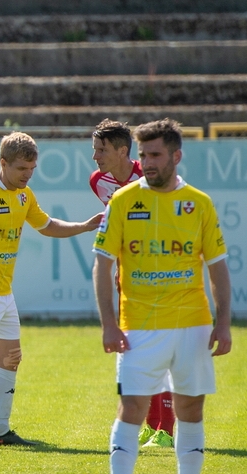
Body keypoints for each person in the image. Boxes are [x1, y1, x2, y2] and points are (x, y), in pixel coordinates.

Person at [94, 119, 231, 474]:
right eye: (142, 155)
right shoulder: (122, 201)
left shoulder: (199, 204)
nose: (146, 163)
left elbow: (218, 268)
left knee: (190, 410)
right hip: (139, 326)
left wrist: (223, 324)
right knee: (131, 408)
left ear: (176, 156)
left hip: (192, 324)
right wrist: (108, 323)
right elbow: (102, 266)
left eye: (154, 155)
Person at [0, 131, 102, 448]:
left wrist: (84, 226)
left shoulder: (24, 195)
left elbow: (46, 225)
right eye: (22, 169)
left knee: (10, 358)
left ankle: (1, 431)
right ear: (3, 163)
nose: (28, 175)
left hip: (3, 293)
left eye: (32, 169)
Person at [90, 118, 176, 449]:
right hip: (129, 275)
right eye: (94, 150)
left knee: (156, 347)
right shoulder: (98, 182)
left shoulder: (152, 176)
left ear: (123, 151)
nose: (96, 157)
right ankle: (152, 424)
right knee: (138, 347)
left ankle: (166, 430)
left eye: (101, 150)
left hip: (161, 274)